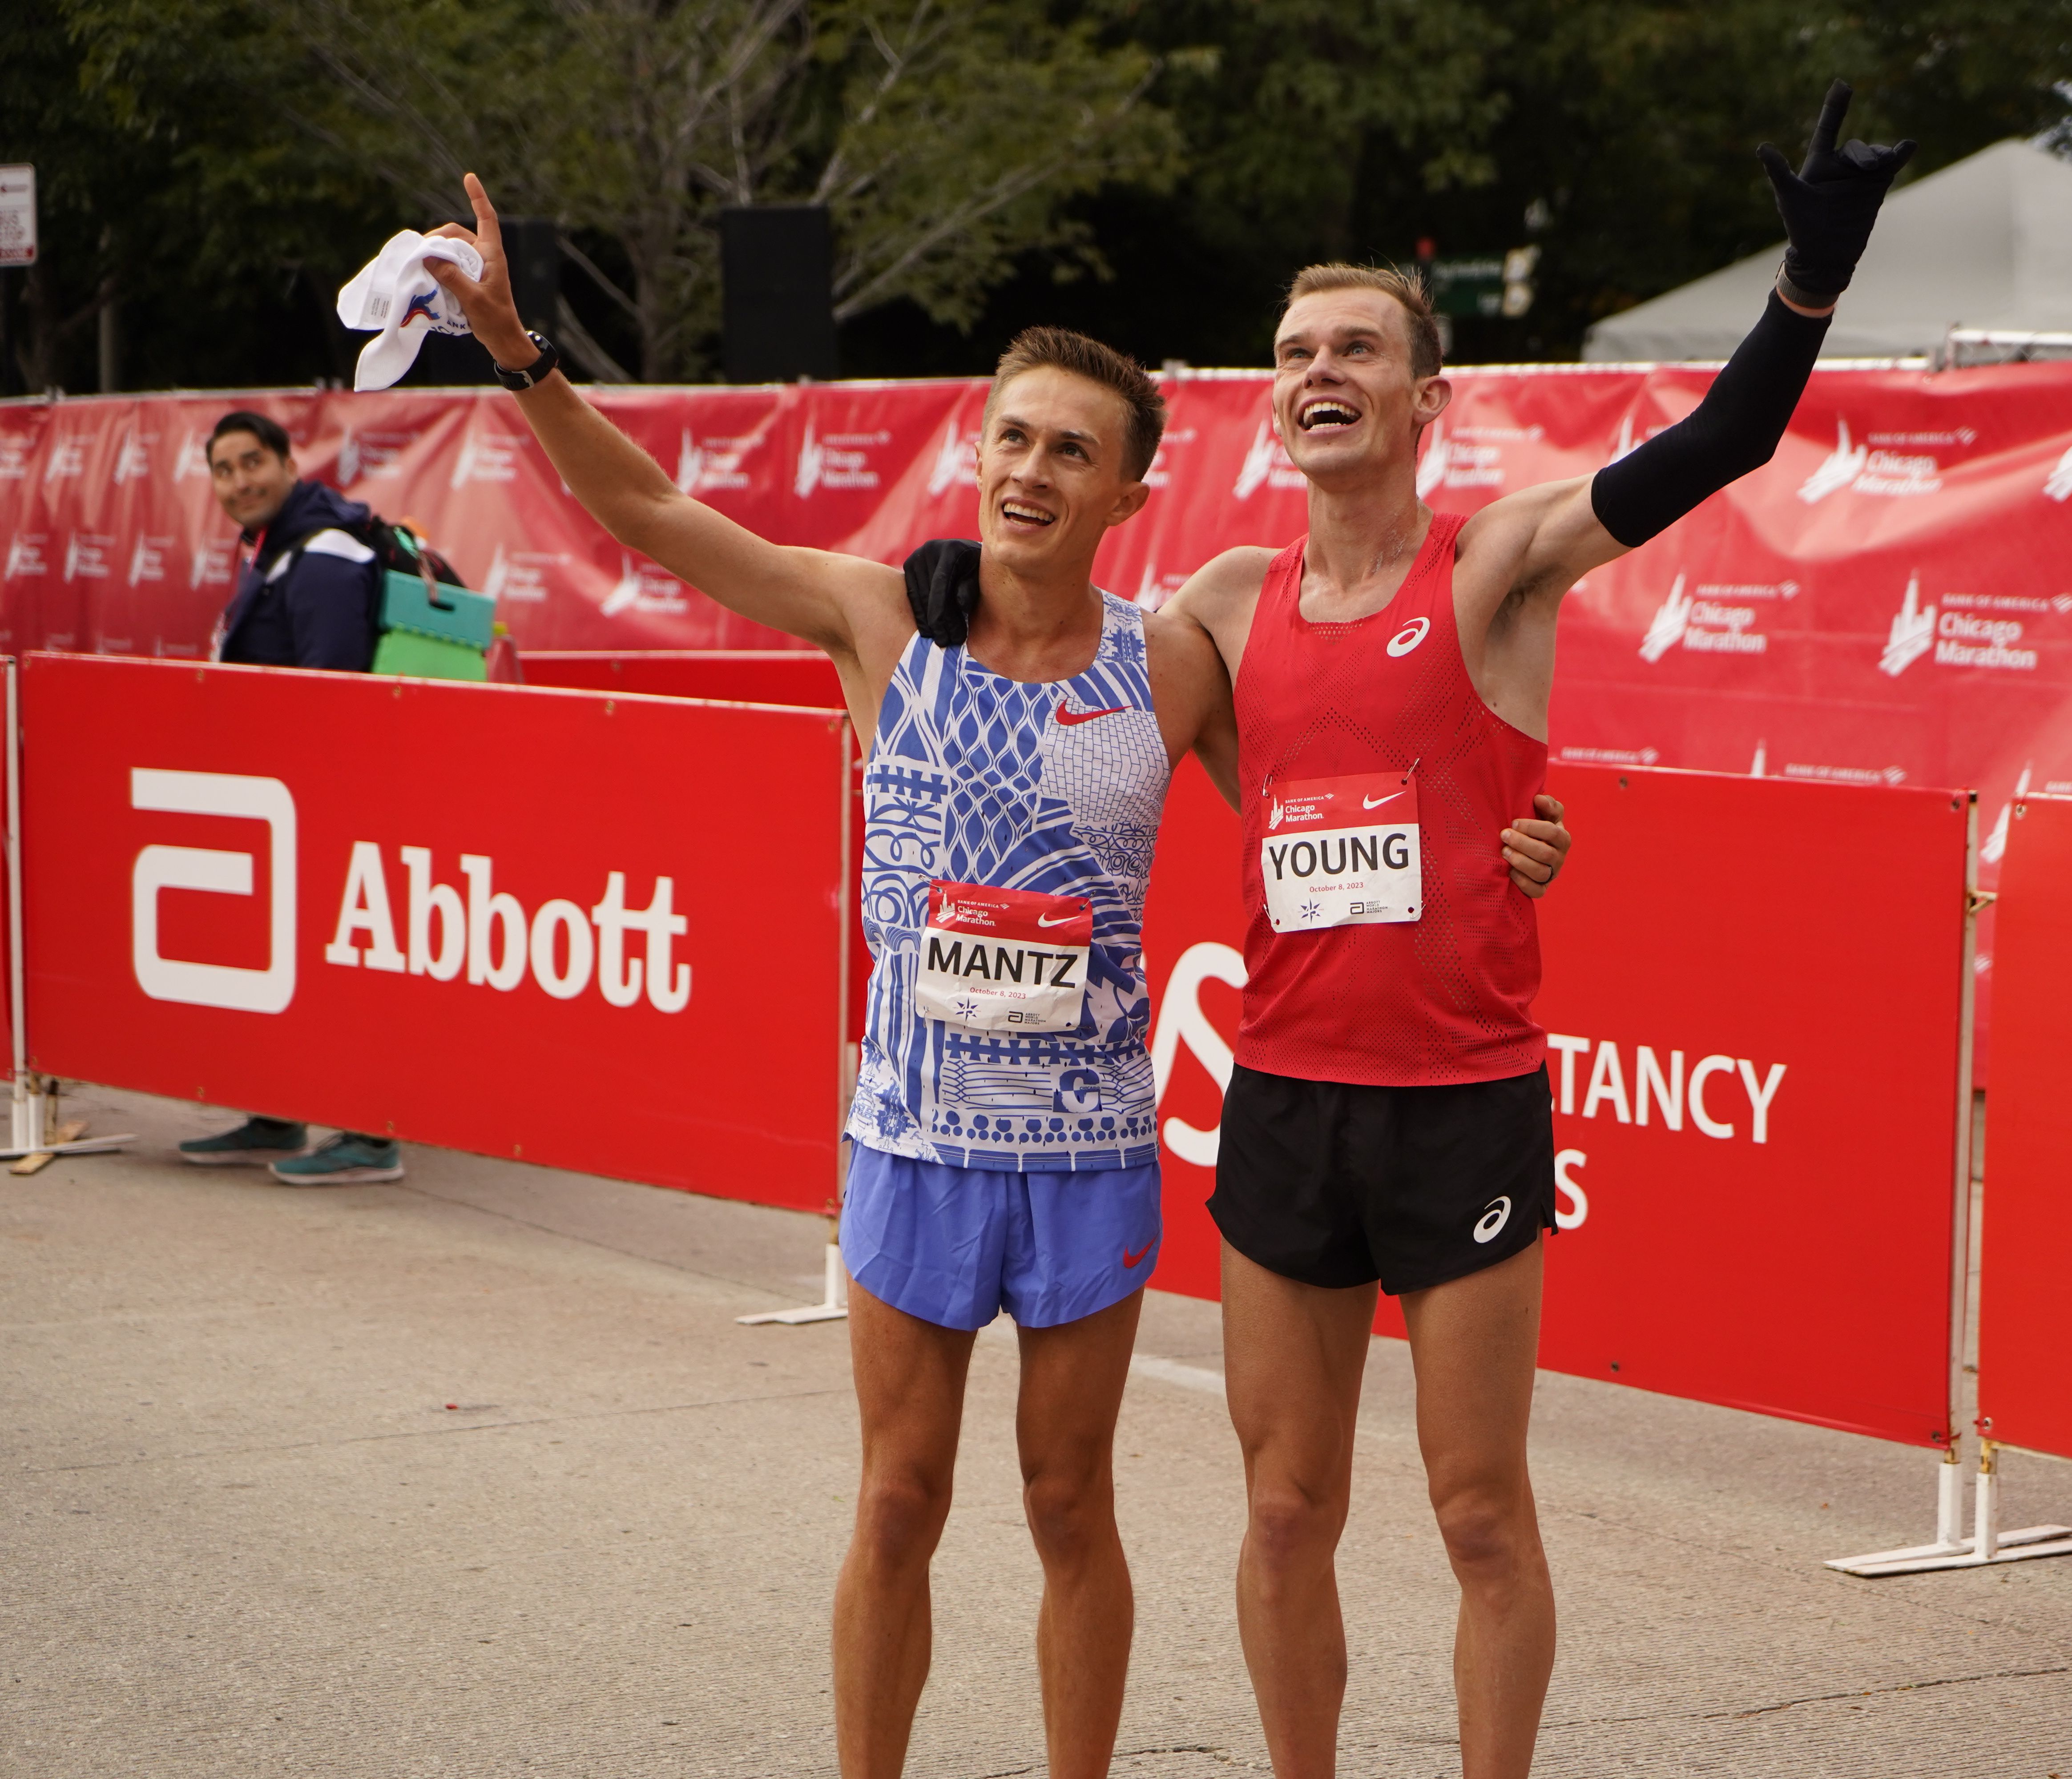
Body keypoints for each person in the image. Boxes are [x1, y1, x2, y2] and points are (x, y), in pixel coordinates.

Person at [418, 171, 1572, 1779]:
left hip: (1090, 1153)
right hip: (911, 1141)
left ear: (1125, 497)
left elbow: (1344, 801)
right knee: (897, 1499)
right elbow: (655, 520)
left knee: (1063, 1501)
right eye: (1012, 439)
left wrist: (1513, 841)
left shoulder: (1168, 660)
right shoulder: (880, 616)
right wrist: (523, 356)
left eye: (1071, 452)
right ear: (981, 456)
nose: (1031, 470)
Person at [1160, 81, 1912, 1779]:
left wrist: (1805, 295)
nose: (1319, 371)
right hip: (1281, 1094)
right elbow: (1088, 717)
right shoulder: (1215, 606)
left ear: (1427, 398)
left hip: (1458, 1100)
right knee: (1283, 1511)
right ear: (1271, 397)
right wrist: (939, 589)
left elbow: (1717, 451)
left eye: (1356, 348)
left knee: (1481, 1514)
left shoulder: (1495, 567)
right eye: (1295, 351)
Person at [178, 411, 406, 1186]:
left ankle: (370, 1136)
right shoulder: (274, 548)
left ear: (286, 463)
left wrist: (317, 795)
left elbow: (332, 698)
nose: (240, 483)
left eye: (253, 464)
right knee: (288, 965)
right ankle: (279, 1111)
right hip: (284, 799)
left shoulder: (324, 555)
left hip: (334, 800)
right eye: (224, 470)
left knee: (343, 967)